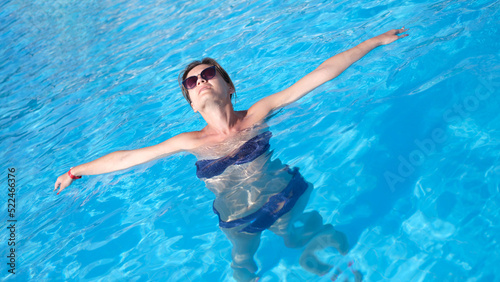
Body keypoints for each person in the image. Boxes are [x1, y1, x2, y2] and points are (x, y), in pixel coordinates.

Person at [55, 27, 408, 281]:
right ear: (193, 104)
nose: (201, 81)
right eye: (192, 83)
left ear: (229, 86)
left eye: (208, 74)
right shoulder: (190, 141)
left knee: (294, 232)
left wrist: (374, 41)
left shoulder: (258, 113)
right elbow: (127, 158)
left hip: (286, 194)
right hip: (240, 220)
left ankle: (302, 244)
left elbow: (318, 76)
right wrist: (76, 170)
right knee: (244, 264)